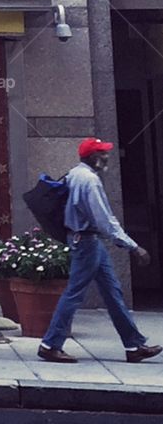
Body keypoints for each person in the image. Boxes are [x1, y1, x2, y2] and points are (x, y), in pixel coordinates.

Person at [38, 137, 162, 364]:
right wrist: (133, 246)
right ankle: (50, 344)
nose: (107, 156)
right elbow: (104, 220)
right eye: (103, 153)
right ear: (94, 157)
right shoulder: (90, 181)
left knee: (113, 293)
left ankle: (133, 346)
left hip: (86, 240)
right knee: (74, 294)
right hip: (87, 242)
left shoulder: (74, 173)